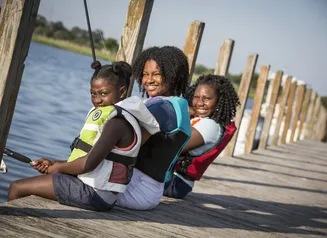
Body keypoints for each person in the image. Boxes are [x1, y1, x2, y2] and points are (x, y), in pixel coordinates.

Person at [8, 61, 160, 212]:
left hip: (94, 194)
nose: (97, 99)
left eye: (104, 93)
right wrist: (54, 162)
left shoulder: (117, 124)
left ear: (121, 92)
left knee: (17, 187)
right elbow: (94, 158)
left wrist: (56, 168)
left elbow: (88, 164)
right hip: (100, 193)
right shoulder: (117, 119)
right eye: (93, 94)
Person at [116, 46, 192, 210]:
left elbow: (127, 148)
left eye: (156, 74)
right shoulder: (175, 104)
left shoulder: (161, 109)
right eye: (145, 74)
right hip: (148, 191)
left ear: (173, 75)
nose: (148, 80)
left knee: (61, 180)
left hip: (135, 189)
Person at [164, 74, 240, 198]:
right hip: (173, 179)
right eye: (196, 97)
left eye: (206, 98)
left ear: (219, 101)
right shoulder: (201, 120)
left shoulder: (210, 126)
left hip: (175, 183)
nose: (200, 103)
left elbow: (171, 147)